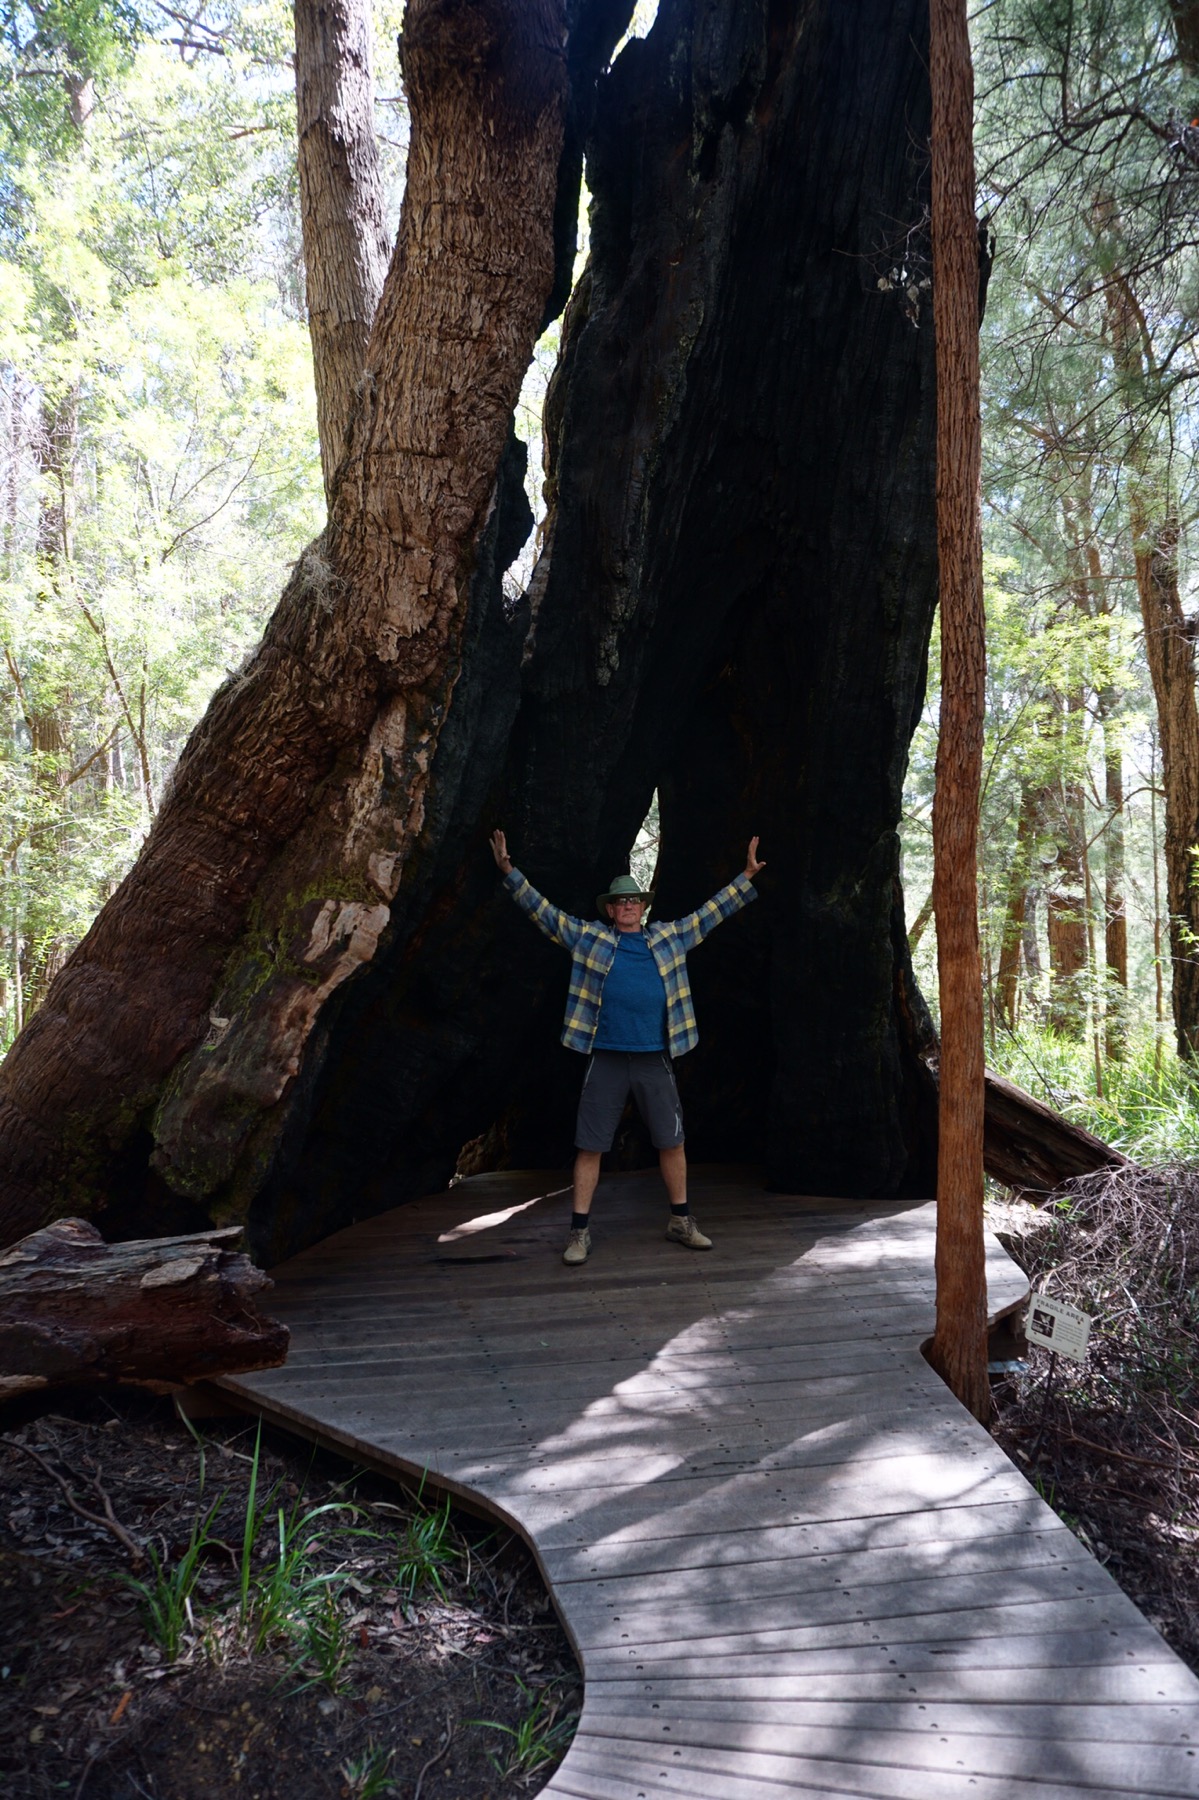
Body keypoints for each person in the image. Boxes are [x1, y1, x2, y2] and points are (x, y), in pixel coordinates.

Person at [489, 829, 765, 1265]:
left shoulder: (668, 937)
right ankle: (579, 1232)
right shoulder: (590, 938)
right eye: (621, 902)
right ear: (611, 910)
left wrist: (745, 876)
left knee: (672, 1141)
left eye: (634, 900)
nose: (629, 906)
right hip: (607, 1058)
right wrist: (508, 870)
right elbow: (545, 913)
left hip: (655, 1057)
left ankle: (680, 1221)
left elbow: (710, 914)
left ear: (643, 907)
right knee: (590, 1145)